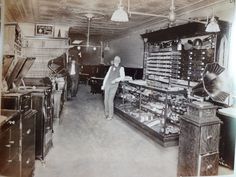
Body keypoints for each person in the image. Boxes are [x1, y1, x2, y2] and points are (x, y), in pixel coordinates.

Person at [101, 56, 125, 120]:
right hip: (107, 84)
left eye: (117, 60)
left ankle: (110, 115)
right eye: (115, 59)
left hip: (114, 86)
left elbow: (122, 78)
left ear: (119, 61)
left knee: (110, 100)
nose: (116, 61)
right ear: (113, 60)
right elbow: (107, 76)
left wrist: (116, 80)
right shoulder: (111, 67)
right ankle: (106, 113)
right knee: (105, 100)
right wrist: (103, 85)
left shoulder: (121, 68)